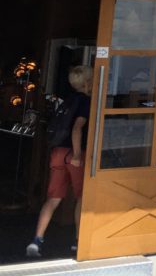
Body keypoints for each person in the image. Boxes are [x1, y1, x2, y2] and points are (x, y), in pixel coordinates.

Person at [26, 65, 93, 258]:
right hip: (73, 153)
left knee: (53, 199)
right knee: (82, 197)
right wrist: (77, 154)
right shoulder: (85, 102)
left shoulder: (66, 100)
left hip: (57, 152)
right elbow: (77, 128)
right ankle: (79, 241)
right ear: (87, 83)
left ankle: (36, 240)